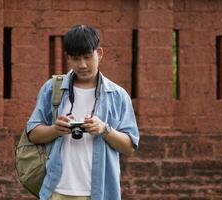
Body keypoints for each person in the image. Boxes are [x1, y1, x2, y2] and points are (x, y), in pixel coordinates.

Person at [26, 25, 139, 200]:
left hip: (100, 193)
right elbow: (32, 134)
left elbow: (129, 147)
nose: (82, 65)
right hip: (56, 191)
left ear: (99, 53)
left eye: (88, 57)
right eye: (75, 58)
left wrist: (104, 129)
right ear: (68, 59)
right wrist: (55, 130)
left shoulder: (117, 96)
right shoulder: (52, 89)